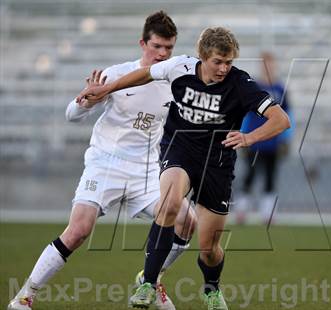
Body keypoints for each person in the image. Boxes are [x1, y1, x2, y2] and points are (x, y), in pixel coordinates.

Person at [77, 27, 291, 310]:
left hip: (218, 164)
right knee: (169, 204)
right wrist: (106, 88)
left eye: (229, 62)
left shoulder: (240, 84)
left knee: (208, 247)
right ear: (203, 57)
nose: (224, 68)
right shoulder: (181, 67)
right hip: (180, 152)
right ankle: (148, 284)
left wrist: (249, 137)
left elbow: (281, 119)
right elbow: (145, 74)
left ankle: (211, 289)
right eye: (217, 62)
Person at [8, 11, 196, 310]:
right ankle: (25, 297)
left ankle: (150, 279)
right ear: (142, 43)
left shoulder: (175, 81)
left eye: (169, 48)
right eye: (157, 46)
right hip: (106, 163)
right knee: (79, 230)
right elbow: (72, 114)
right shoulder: (117, 74)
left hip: (146, 171)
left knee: (188, 221)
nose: (163, 54)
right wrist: (86, 102)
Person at [236, 51, 294, 224]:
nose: (268, 67)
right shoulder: (253, 87)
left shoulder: (280, 89)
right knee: (249, 175)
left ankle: (268, 213)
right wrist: (243, 135)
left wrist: (286, 138)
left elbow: (288, 114)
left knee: (270, 176)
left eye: (271, 64)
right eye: (265, 64)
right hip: (254, 140)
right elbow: (244, 114)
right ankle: (241, 210)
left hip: (273, 141)